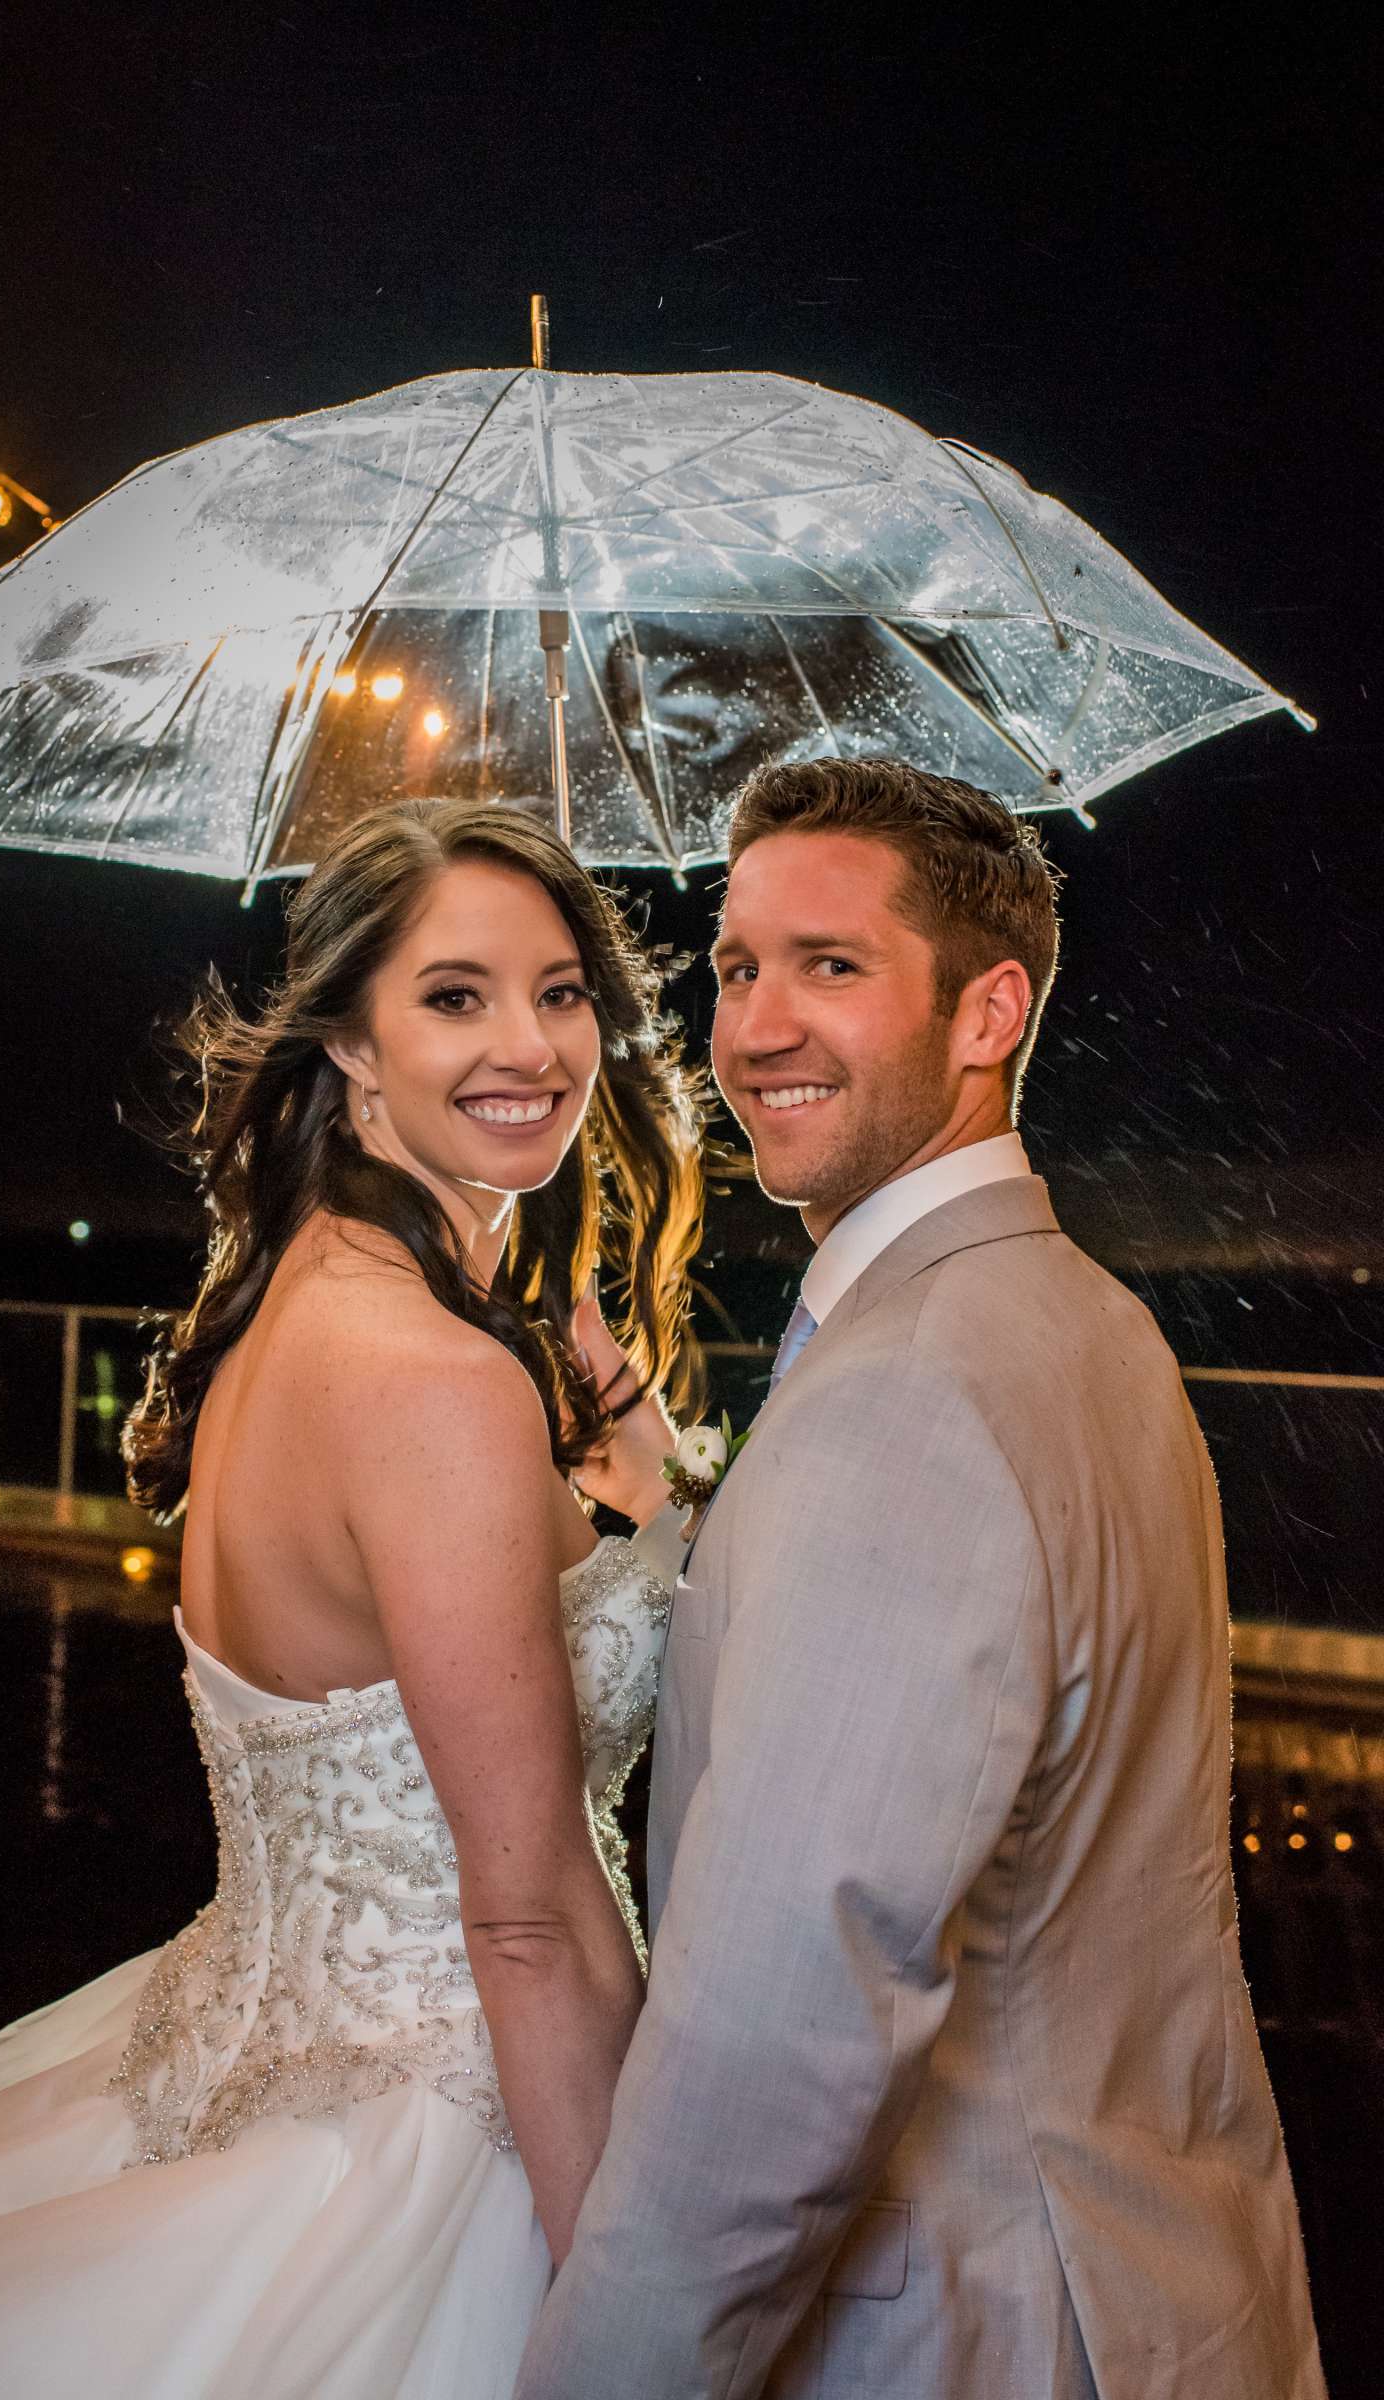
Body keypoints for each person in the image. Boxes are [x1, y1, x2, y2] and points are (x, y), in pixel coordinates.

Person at [0, 796, 704, 2400]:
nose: (535, 1045)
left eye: (562, 990)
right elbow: (530, 1918)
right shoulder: (435, 1382)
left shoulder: (304, 1303)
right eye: (455, 994)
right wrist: (628, 2316)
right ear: (347, 1045)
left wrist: (604, 1397)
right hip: (454, 2140)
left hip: (240, 2061)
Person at [516, 757, 1326, 2400]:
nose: (752, 1030)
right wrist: (668, 1491)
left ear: (986, 1014)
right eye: (737, 967)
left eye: (832, 967)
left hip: (970, 2328)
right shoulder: (1093, 1327)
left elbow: (783, 2036)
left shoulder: (903, 1397)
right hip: (1169, 2291)